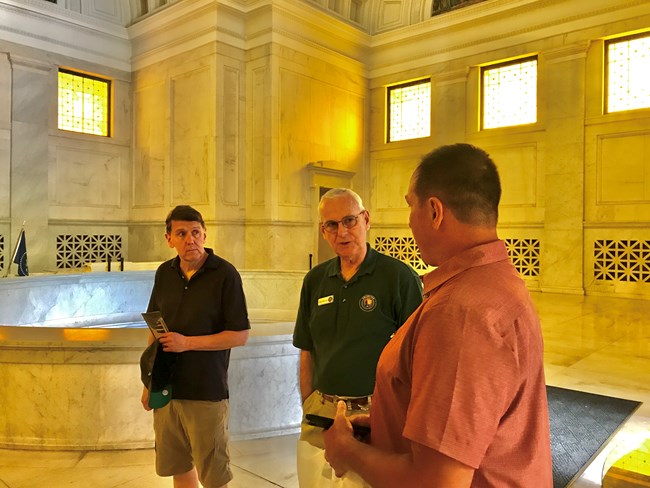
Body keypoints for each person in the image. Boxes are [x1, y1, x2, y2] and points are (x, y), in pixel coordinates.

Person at [322, 144, 553, 487]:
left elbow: (438, 482)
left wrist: (346, 450)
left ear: (434, 211)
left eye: (410, 206)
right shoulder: (496, 280)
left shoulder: (460, 314)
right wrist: (391, 423)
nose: (410, 220)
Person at [293, 188, 423, 487]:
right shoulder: (315, 280)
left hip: (373, 415)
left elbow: (418, 357)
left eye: (349, 221)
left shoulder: (398, 278)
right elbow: (306, 350)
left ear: (366, 220)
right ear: (323, 231)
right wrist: (309, 403)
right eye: (332, 225)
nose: (342, 232)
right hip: (320, 414)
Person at [141, 205, 250, 488]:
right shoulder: (164, 273)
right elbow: (155, 326)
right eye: (182, 233)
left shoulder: (225, 274)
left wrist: (187, 343)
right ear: (169, 239)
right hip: (166, 390)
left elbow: (239, 335)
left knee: (214, 476)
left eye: (195, 232)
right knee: (179, 466)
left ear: (204, 234)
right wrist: (148, 383)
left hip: (206, 391)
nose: (190, 240)